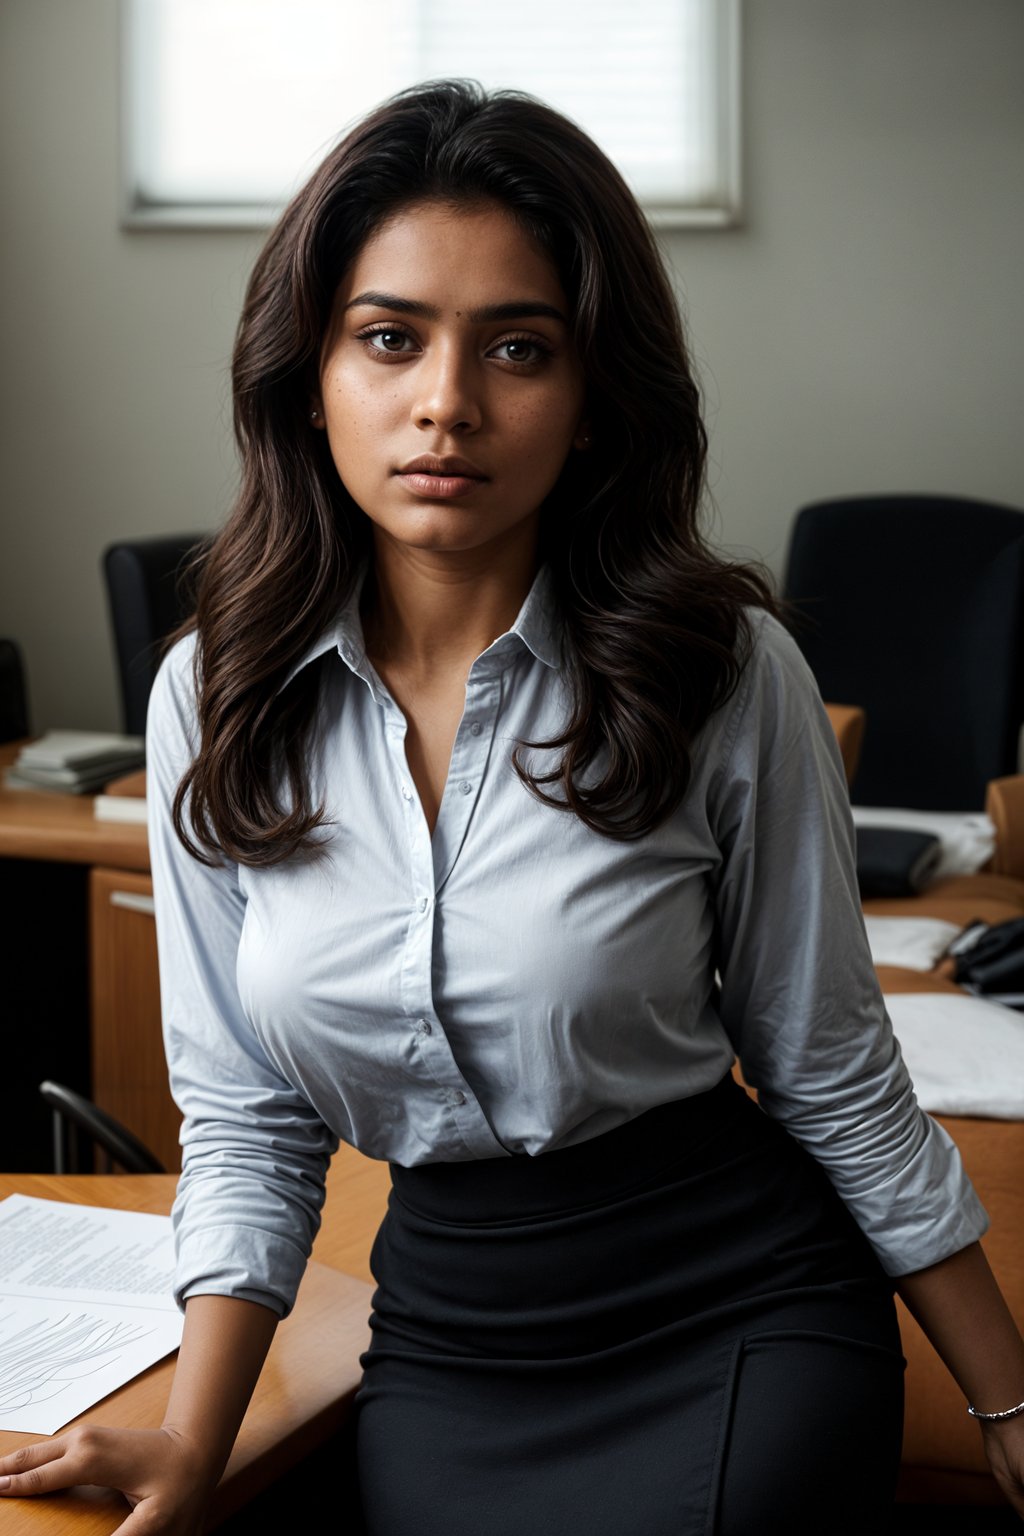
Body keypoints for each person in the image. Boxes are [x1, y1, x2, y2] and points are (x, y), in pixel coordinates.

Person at [2, 77, 1023, 1536]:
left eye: (520, 348)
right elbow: (247, 1121)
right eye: (388, 338)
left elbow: (833, 1073)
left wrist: (1011, 1408)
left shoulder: (722, 673)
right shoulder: (211, 703)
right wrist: (192, 1439)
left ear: (595, 398)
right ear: (312, 373)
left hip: (733, 1308)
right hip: (449, 1341)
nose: (446, 404)